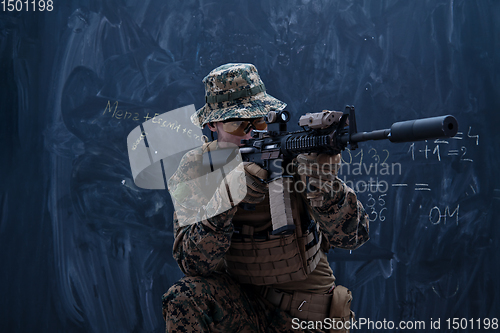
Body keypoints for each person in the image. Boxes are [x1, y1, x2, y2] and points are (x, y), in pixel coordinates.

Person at [162, 63, 369, 332]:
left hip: (306, 318)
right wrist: (226, 200)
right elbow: (192, 262)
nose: (252, 134)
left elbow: (354, 237)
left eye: (260, 121)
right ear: (212, 125)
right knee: (184, 296)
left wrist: (324, 188)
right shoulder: (199, 169)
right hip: (242, 314)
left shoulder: (296, 160)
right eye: (238, 124)